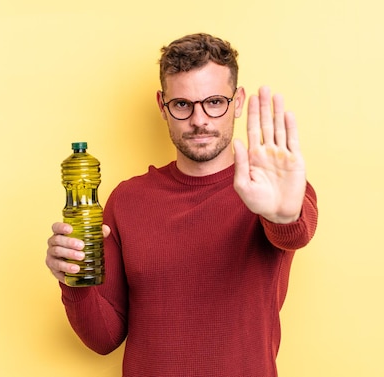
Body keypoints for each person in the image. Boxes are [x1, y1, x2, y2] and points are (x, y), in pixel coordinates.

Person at [46, 33, 318, 376]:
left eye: (215, 101)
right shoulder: (127, 200)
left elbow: (295, 232)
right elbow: (104, 339)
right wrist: (73, 281)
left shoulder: (274, 189)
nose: (199, 119)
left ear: (237, 102)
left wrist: (283, 215)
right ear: (163, 106)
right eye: (183, 104)